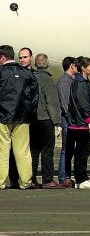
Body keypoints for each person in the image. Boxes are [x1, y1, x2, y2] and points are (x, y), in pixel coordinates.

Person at [0, 44, 38, 190]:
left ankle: (1, 181)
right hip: (22, 117)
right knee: (23, 151)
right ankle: (25, 181)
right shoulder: (27, 73)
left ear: (2, 57)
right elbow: (35, 97)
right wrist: (29, 114)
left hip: (2, 117)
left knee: (2, 151)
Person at [66, 56, 90, 189]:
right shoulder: (80, 83)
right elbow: (83, 103)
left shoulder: (84, 81)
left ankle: (81, 177)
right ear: (83, 68)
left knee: (82, 152)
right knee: (82, 152)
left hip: (80, 122)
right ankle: (81, 179)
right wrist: (89, 120)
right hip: (80, 124)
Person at [31, 54, 63, 189]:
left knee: (33, 151)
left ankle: (30, 178)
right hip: (45, 119)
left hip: (32, 119)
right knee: (47, 151)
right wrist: (57, 122)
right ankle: (47, 179)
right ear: (47, 64)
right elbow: (52, 102)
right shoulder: (47, 79)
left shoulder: (30, 77)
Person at [9, 47, 35, 188]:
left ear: (31, 58)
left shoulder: (32, 75)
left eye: (25, 57)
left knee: (30, 151)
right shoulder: (16, 74)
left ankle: (29, 178)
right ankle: (14, 179)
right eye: (20, 57)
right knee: (15, 152)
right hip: (17, 118)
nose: (22, 60)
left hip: (28, 118)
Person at [56, 56, 77, 188]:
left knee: (69, 149)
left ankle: (66, 175)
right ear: (71, 66)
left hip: (69, 119)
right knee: (66, 149)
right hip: (67, 119)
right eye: (76, 65)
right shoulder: (65, 81)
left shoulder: (70, 80)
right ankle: (63, 176)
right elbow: (65, 103)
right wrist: (71, 118)